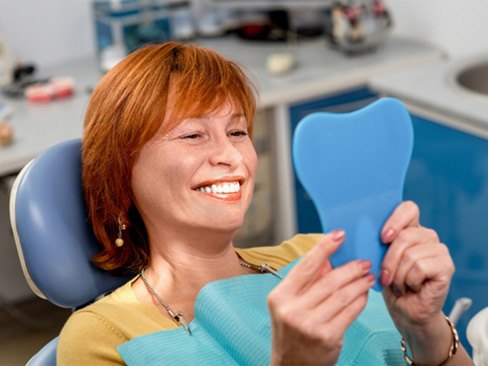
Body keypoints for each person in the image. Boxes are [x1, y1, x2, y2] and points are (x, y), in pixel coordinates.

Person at [57, 42, 473, 365]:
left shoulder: (321, 256)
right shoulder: (104, 336)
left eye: (237, 132)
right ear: (120, 171)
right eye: (192, 135)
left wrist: (426, 330)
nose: (233, 157)